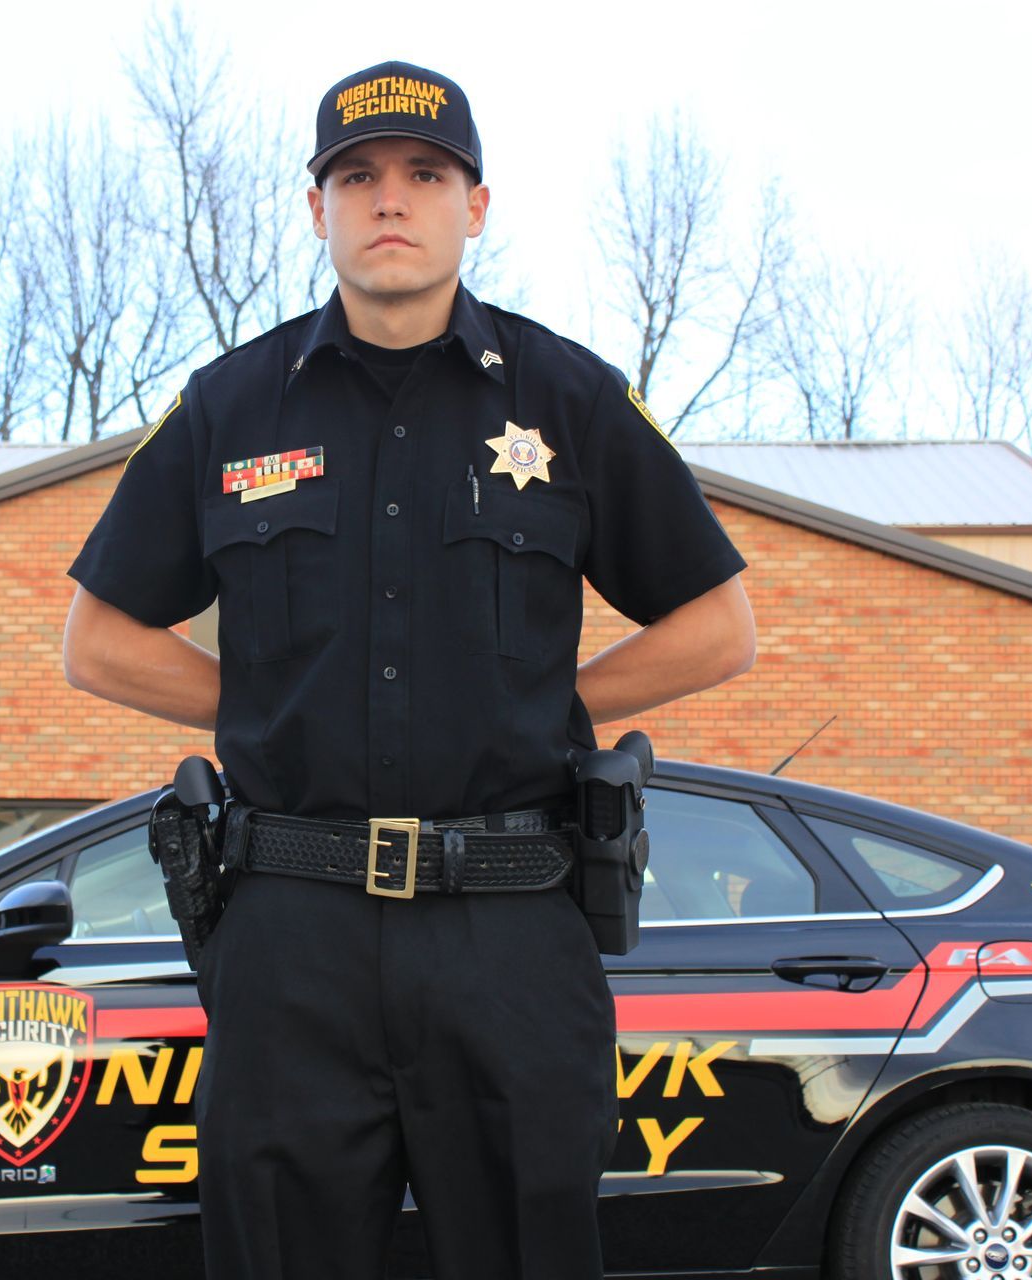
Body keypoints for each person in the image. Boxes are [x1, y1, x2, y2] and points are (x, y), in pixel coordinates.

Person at [63, 59, 756, 1280]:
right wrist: (269, 707)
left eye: (425, 175)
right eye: (359, 176)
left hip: (510, 928)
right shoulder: (233, 407)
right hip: (291, 935)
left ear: (474, 206)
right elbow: (97, 639)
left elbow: (720, 623)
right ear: (317, 207)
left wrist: (568, 705)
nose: (392, 200)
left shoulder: (569, 397)